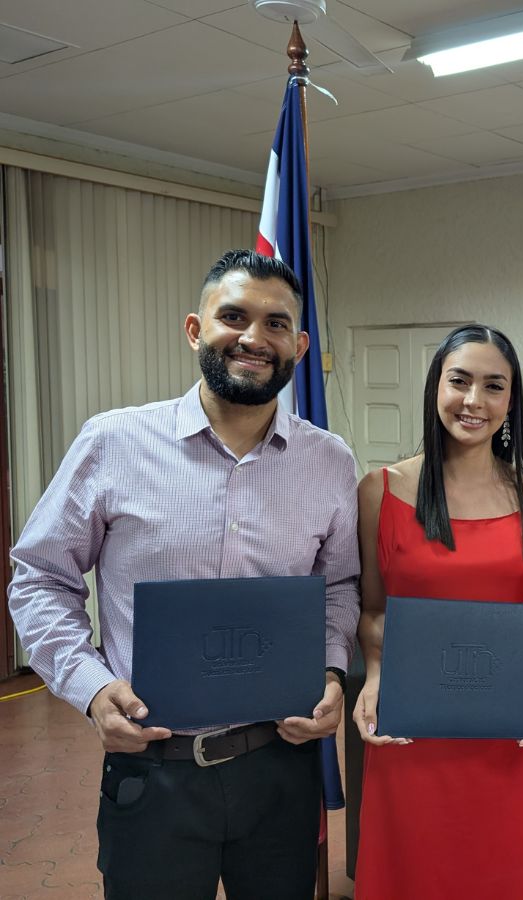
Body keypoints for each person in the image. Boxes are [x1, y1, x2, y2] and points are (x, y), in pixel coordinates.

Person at [7, 249, 360, 899]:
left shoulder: (330, 462)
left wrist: (332, 671)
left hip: (279, 770)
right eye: (234, 317)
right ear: (196, 330)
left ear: (300, 346)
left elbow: (338, 585)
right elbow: (39, 577)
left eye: (276, 324)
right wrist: (91, 687)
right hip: (153, 770)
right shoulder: (112, 443)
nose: (254, 338)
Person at [352, 324, 523, 899]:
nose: (474, 400)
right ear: (436, 388)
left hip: (506, 734)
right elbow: (372, 612)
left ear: (511, 401)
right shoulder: (380, 490)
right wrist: (375, 673)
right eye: (460, 381)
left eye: (494, 386)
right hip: (411, 732)